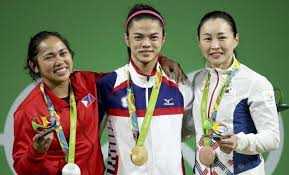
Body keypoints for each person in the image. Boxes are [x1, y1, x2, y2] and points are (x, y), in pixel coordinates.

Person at [12, 31, 185, 175]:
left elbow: (131, 74)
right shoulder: (28, 110)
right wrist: (36, 151)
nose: (60, 61)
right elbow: (21, 168)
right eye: (49, 57)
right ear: (34, 66)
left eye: (63, 53)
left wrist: (159, 59)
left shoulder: (89, 83)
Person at [97, 4, 193, 175]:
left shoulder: (180, 85)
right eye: (138, 37)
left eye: (154, 37)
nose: (146, 44)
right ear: (127, 39)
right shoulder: (108, 85)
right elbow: (91, 139)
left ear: (163, 39)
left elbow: (187, 130)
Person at [187, 11, 280, 174]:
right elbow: (191, 127)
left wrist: (239, 142)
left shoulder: (255, 82)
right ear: (199, 42)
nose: (214, 45)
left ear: (235, 39)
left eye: (222, 38)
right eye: (207, 39)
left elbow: (272, 138)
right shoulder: (197, 81)